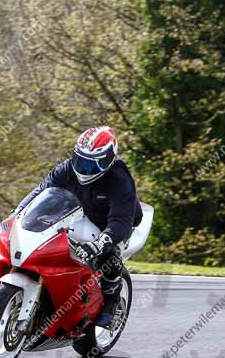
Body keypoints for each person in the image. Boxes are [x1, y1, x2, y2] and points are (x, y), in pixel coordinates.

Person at [14, 126, 142, 327]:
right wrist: (17, 214)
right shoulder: (67, 168)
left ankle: (112, 299)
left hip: (111, 223)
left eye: (93, 165)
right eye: (81, 161)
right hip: (77, 213)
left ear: (109, 159)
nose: (84, 169)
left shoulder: (120, 179)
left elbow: (121, 220)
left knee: (109, 255)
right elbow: (41, 190)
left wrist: (103, 241)